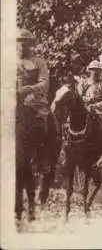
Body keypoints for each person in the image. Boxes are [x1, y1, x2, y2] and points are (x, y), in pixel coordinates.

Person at [16, 28, 51, 174]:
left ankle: (42, 159)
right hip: (13, 99)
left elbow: (45, 84)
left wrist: (29, 89)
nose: (22, 46)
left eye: (26, 43)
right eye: (20, 42)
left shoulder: (39, 62)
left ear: (31, 44)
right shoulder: (11, 61)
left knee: (41, 125)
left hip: (35, 101)